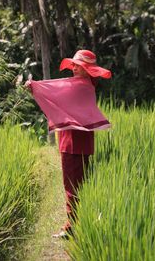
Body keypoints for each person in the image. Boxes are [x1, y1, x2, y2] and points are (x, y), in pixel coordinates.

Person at [25, 49, 112, 239]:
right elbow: (58, 90)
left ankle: (71, 227)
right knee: (78, 185)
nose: (74, 68)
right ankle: (77, 223)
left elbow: (55, 89)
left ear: (88, 69)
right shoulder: (88, 85)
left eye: (78, 66)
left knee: (72, 186)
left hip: (74, 144)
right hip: (79, 143)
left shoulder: (80, 86)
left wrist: (34, 86)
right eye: (74, 65)